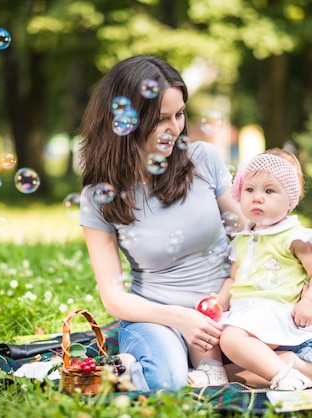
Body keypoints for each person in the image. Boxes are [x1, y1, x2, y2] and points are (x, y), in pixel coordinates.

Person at [77, 55, 245, 391]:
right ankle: (146, 366)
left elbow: (247, 236)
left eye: (180, 114)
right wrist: (181, 318)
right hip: (157, 317)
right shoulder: (99, 196)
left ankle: (189, 370)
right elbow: (113, 297)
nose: (175, 129)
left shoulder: (203, 159)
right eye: (161, 119)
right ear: (125, 121)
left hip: (228, 305)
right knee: (166, 381)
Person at [203, 148, 312, 390]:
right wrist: (221, 299)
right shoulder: (242, 238)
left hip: (275, 313)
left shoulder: (295, 237)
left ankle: (283, 373)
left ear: (290, 200)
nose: (257, 197)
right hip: (245, 314)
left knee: (231, 339)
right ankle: (286, 367)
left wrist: (310, 302)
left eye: (269, 190)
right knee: (207, 337)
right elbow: (233, 279)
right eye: (249, 190)